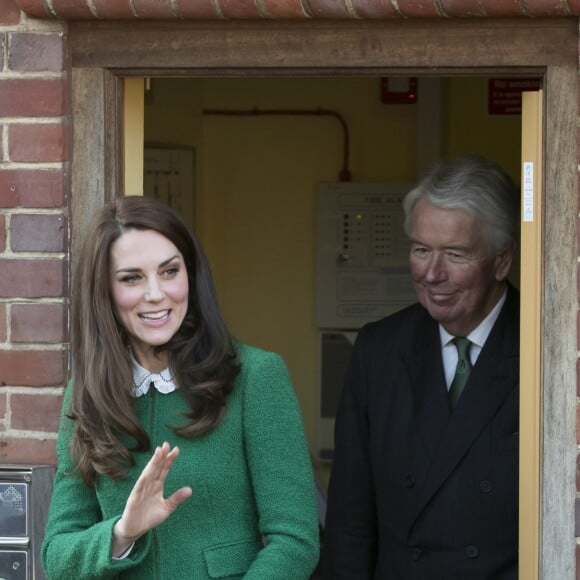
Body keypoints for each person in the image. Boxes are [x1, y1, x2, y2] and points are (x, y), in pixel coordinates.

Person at [41, 196, 319, 579]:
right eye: (131, 278)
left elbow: (295, 540)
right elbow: (57, 555)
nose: (156, 293)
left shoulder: (256, 376)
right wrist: (123, 532)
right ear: (104, 290)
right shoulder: (86, 392)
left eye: (169, 271)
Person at [324, 155, 520, 579]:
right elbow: (349, 522)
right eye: (420, 250)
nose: (432, 274)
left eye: (455, 254)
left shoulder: (547, 349)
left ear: (502, 262)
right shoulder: (379, 350)